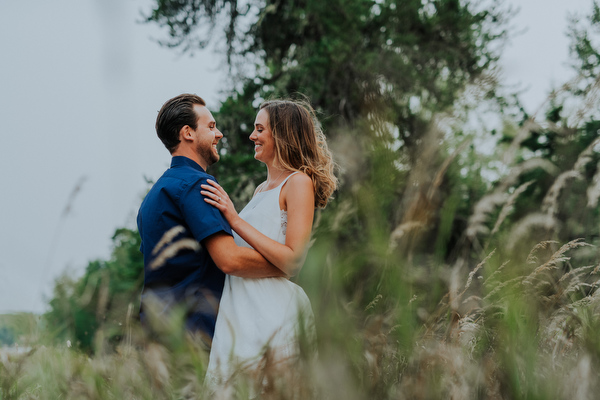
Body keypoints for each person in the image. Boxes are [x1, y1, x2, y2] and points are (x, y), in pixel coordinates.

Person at [201, 98, 338, 387]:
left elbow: (293, 260)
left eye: (260, 129)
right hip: (238, 310)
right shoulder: (261, 189)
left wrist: (234, 219)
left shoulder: (298, 182)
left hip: (271, 311)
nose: (252, 136)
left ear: (282, 134)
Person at [136, 93, 286, 347]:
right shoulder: (197, 184)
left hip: (153, 336)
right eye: (211, 126)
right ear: (188, 133)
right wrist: (284, 265)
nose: (219, 135)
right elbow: (230, 259)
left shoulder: (153, 195)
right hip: (194, 333)